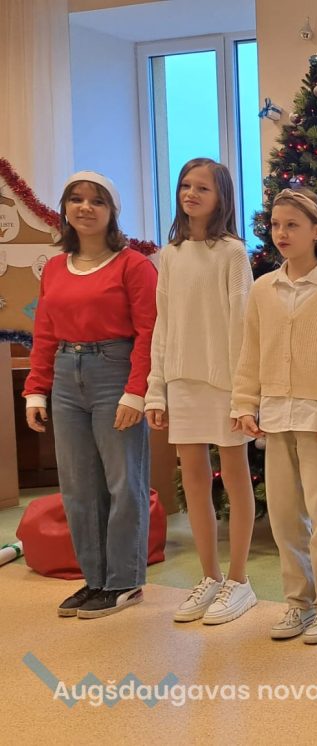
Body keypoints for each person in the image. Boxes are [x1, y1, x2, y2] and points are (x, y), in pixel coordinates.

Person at [231, 188, 317, 644]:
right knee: (285, 516)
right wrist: (244, 403)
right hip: (275, 418)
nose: (281, 233)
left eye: (292, 225)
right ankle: (298, 602)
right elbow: (250, 352)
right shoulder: (263, 289)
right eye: (275, 225)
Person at [24, 171, 157, 619]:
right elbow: (45, 331)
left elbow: (149, 332)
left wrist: (136, 392)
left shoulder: (133, 265)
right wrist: (36, 390)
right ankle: (94, 579)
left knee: (123, 482)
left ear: (112, 211)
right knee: (78, 486)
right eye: (76, 199)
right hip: (66, 377)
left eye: (96, 201)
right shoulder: (55, 268)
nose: (85, 207)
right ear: (64, 208)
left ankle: (124, 581)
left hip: (114, 373)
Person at [146, 158, 257, 625]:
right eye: (185, 186)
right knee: (193, 478)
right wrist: (156, 390)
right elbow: (163, 324)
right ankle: (209, 576)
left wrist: (244, 394)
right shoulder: (170, 255)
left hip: (225, 382)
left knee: (234, 476)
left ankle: (239, 579)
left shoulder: (232, 253)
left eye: (202, 188)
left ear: (221, 197)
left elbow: (243, 325)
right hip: (182, 381)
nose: (190, 194)